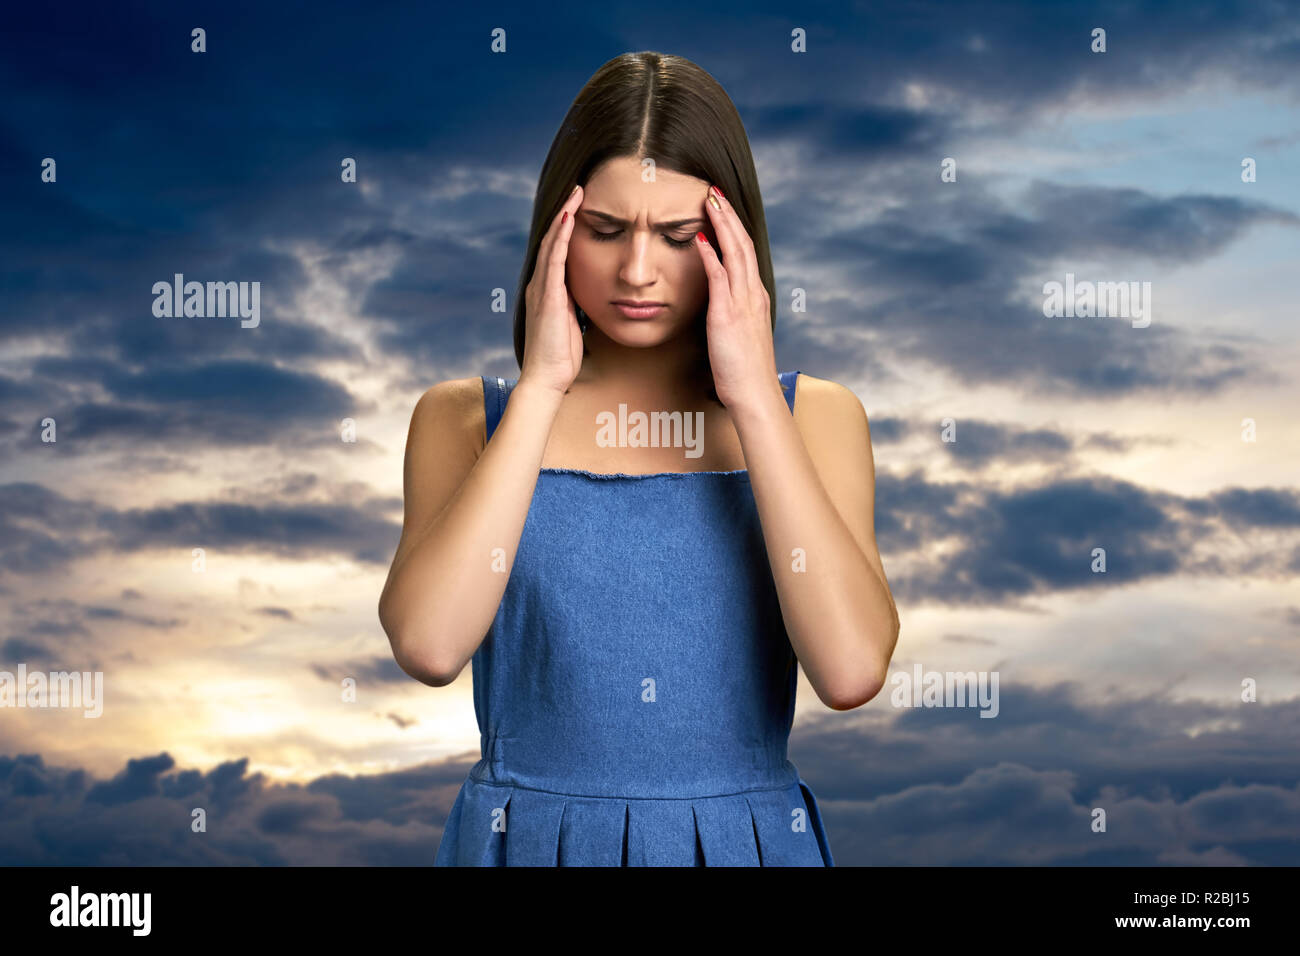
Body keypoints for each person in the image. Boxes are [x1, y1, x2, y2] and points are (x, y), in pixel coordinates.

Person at [378, 51, 899, 866]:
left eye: (680, 235)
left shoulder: (814, 418)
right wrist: (543, 386)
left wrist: (755, 400)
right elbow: (429, 647)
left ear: (734, 240)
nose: (637, 270)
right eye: (605, 229)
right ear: (557, 224)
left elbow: (851, 669)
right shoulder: (464, 420)